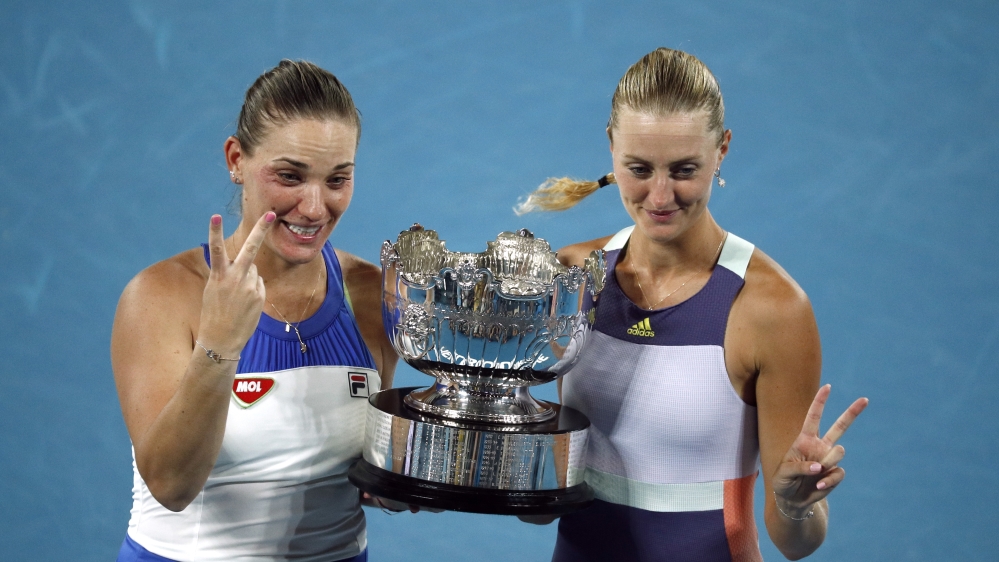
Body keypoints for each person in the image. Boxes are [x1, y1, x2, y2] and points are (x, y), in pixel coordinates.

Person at [515, 48, 868, 561]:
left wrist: (796, 505)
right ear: (611, 148)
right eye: (639, 168)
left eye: (684, 170)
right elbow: (539, 507)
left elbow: (796, 542)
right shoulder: (570, 277)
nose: (660, 197)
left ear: (721, 150)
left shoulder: (770, 308)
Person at [111, 60, 398, 562]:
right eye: (290, 176)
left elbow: (375, 472)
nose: (313, 208)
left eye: (337, 180)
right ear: (236, 159)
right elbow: (172, 485)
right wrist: (219, 345)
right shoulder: (160, 295)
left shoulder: (372, 291)